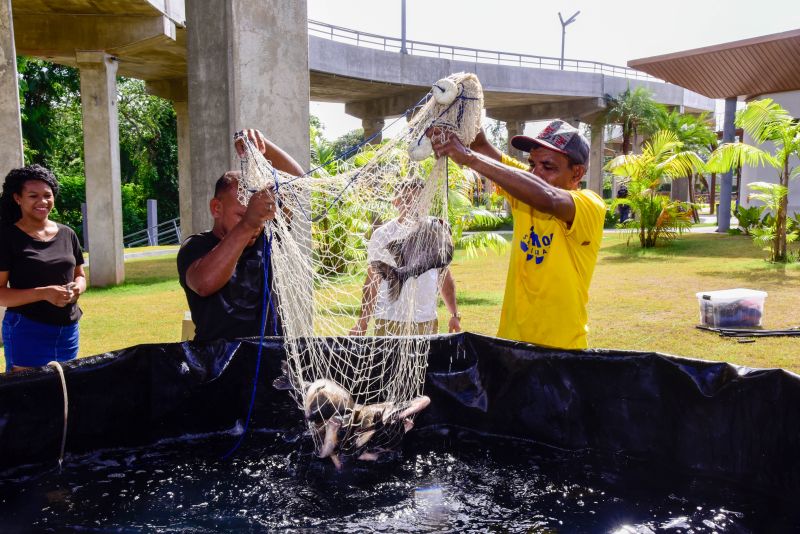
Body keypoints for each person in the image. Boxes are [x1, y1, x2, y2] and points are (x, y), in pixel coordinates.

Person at [429, 119, 606, 349]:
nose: (536, 173)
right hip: (510, 345)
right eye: (532, 164)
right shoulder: (526, 185)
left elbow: (548, 199)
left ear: (577, 174)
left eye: (548, 166)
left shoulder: (590, 205)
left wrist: (469, 158)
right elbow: (481, 144)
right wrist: (461, 107)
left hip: (560, 351)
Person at [177, 129, 303, 342]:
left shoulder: (266, 235)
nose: (256, 225)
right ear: (217, 208)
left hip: (269, 360)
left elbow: (297, 184)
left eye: (258, 217)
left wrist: (261, 146)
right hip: (217, 366)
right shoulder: (196, 246)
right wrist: (248, 222)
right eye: (241, 215)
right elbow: (204, 283)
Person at [0, 165, 86, 371]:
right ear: (18, 198)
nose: (42, 201)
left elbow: (80, 275)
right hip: (28, 329)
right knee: (28, 397)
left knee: (63, 392)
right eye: (33, 196)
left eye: (48, 195)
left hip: (68, 330)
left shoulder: (68, 233)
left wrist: (77, 288)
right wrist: (44, 293)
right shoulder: (6, 238)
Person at [350, 178, 461, 337]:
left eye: (419, 199)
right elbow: (372, 281)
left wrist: (454, 315)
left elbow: (443, 275)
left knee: (428, 362)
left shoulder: (437, 231)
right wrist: (362, 322)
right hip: (388, 320)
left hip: (425, 320)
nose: (414, 205)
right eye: (407, 199)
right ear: (395, 201)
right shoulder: (382, 235)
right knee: (387, 363)